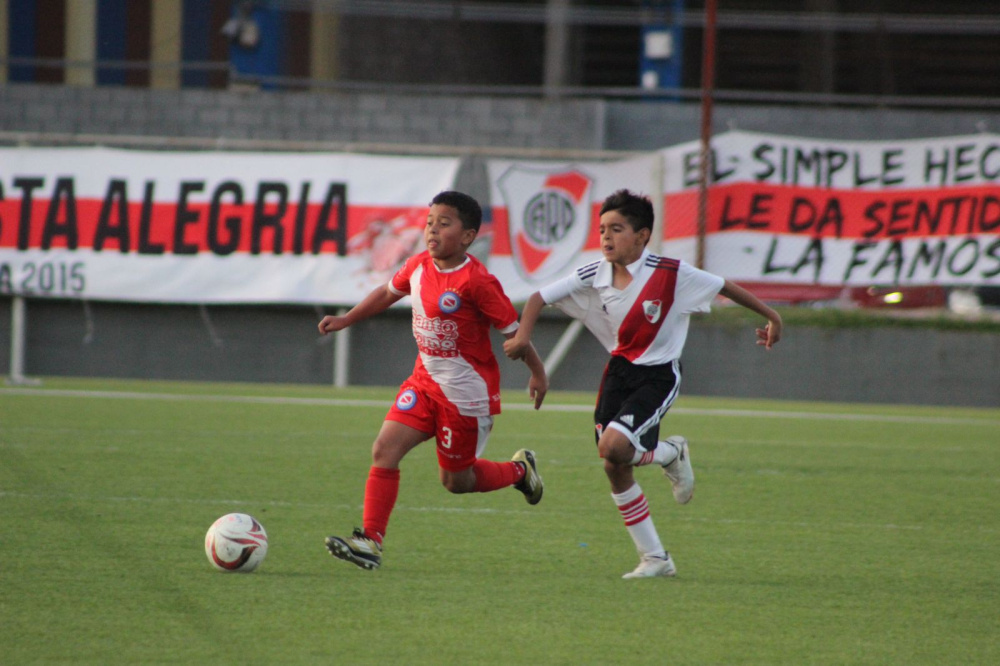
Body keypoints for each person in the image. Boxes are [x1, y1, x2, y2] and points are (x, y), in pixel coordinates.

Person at [504, 189, 782, 579]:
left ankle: (669, 453)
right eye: (602, 229)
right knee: (613, 464)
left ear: (642, 235)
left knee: (613, 447)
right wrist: (523, 339)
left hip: (658, 376)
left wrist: (773, 317)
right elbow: (538, 298)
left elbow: (724, 286)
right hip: (618, 374)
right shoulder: (595, 272)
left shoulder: (671, 272)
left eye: (616, 229)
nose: (606, 237)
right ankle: (655, 558)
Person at [318, 190, 549, 571]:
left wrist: (538, 373)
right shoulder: (418, 265)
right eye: (429, 222)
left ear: (468, 236)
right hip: (423, 383)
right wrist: (346, 319)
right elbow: (386, 293)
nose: (432, 230)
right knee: (384, 450)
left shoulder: (478, 281)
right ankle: (370, 542)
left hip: (465, 396)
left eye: (444, 223)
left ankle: (520, 471)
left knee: (457, 482)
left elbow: (515, 334)